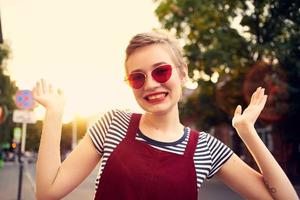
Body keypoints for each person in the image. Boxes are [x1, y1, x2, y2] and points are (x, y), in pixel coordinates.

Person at [32, 31, 299, 200]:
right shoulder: (113, 124)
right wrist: (54, 114)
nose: (150, 84)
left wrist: (247, 132)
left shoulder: (205, 148)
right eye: (138, 78)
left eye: (161, 71)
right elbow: (47, 192)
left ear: (182, 73)